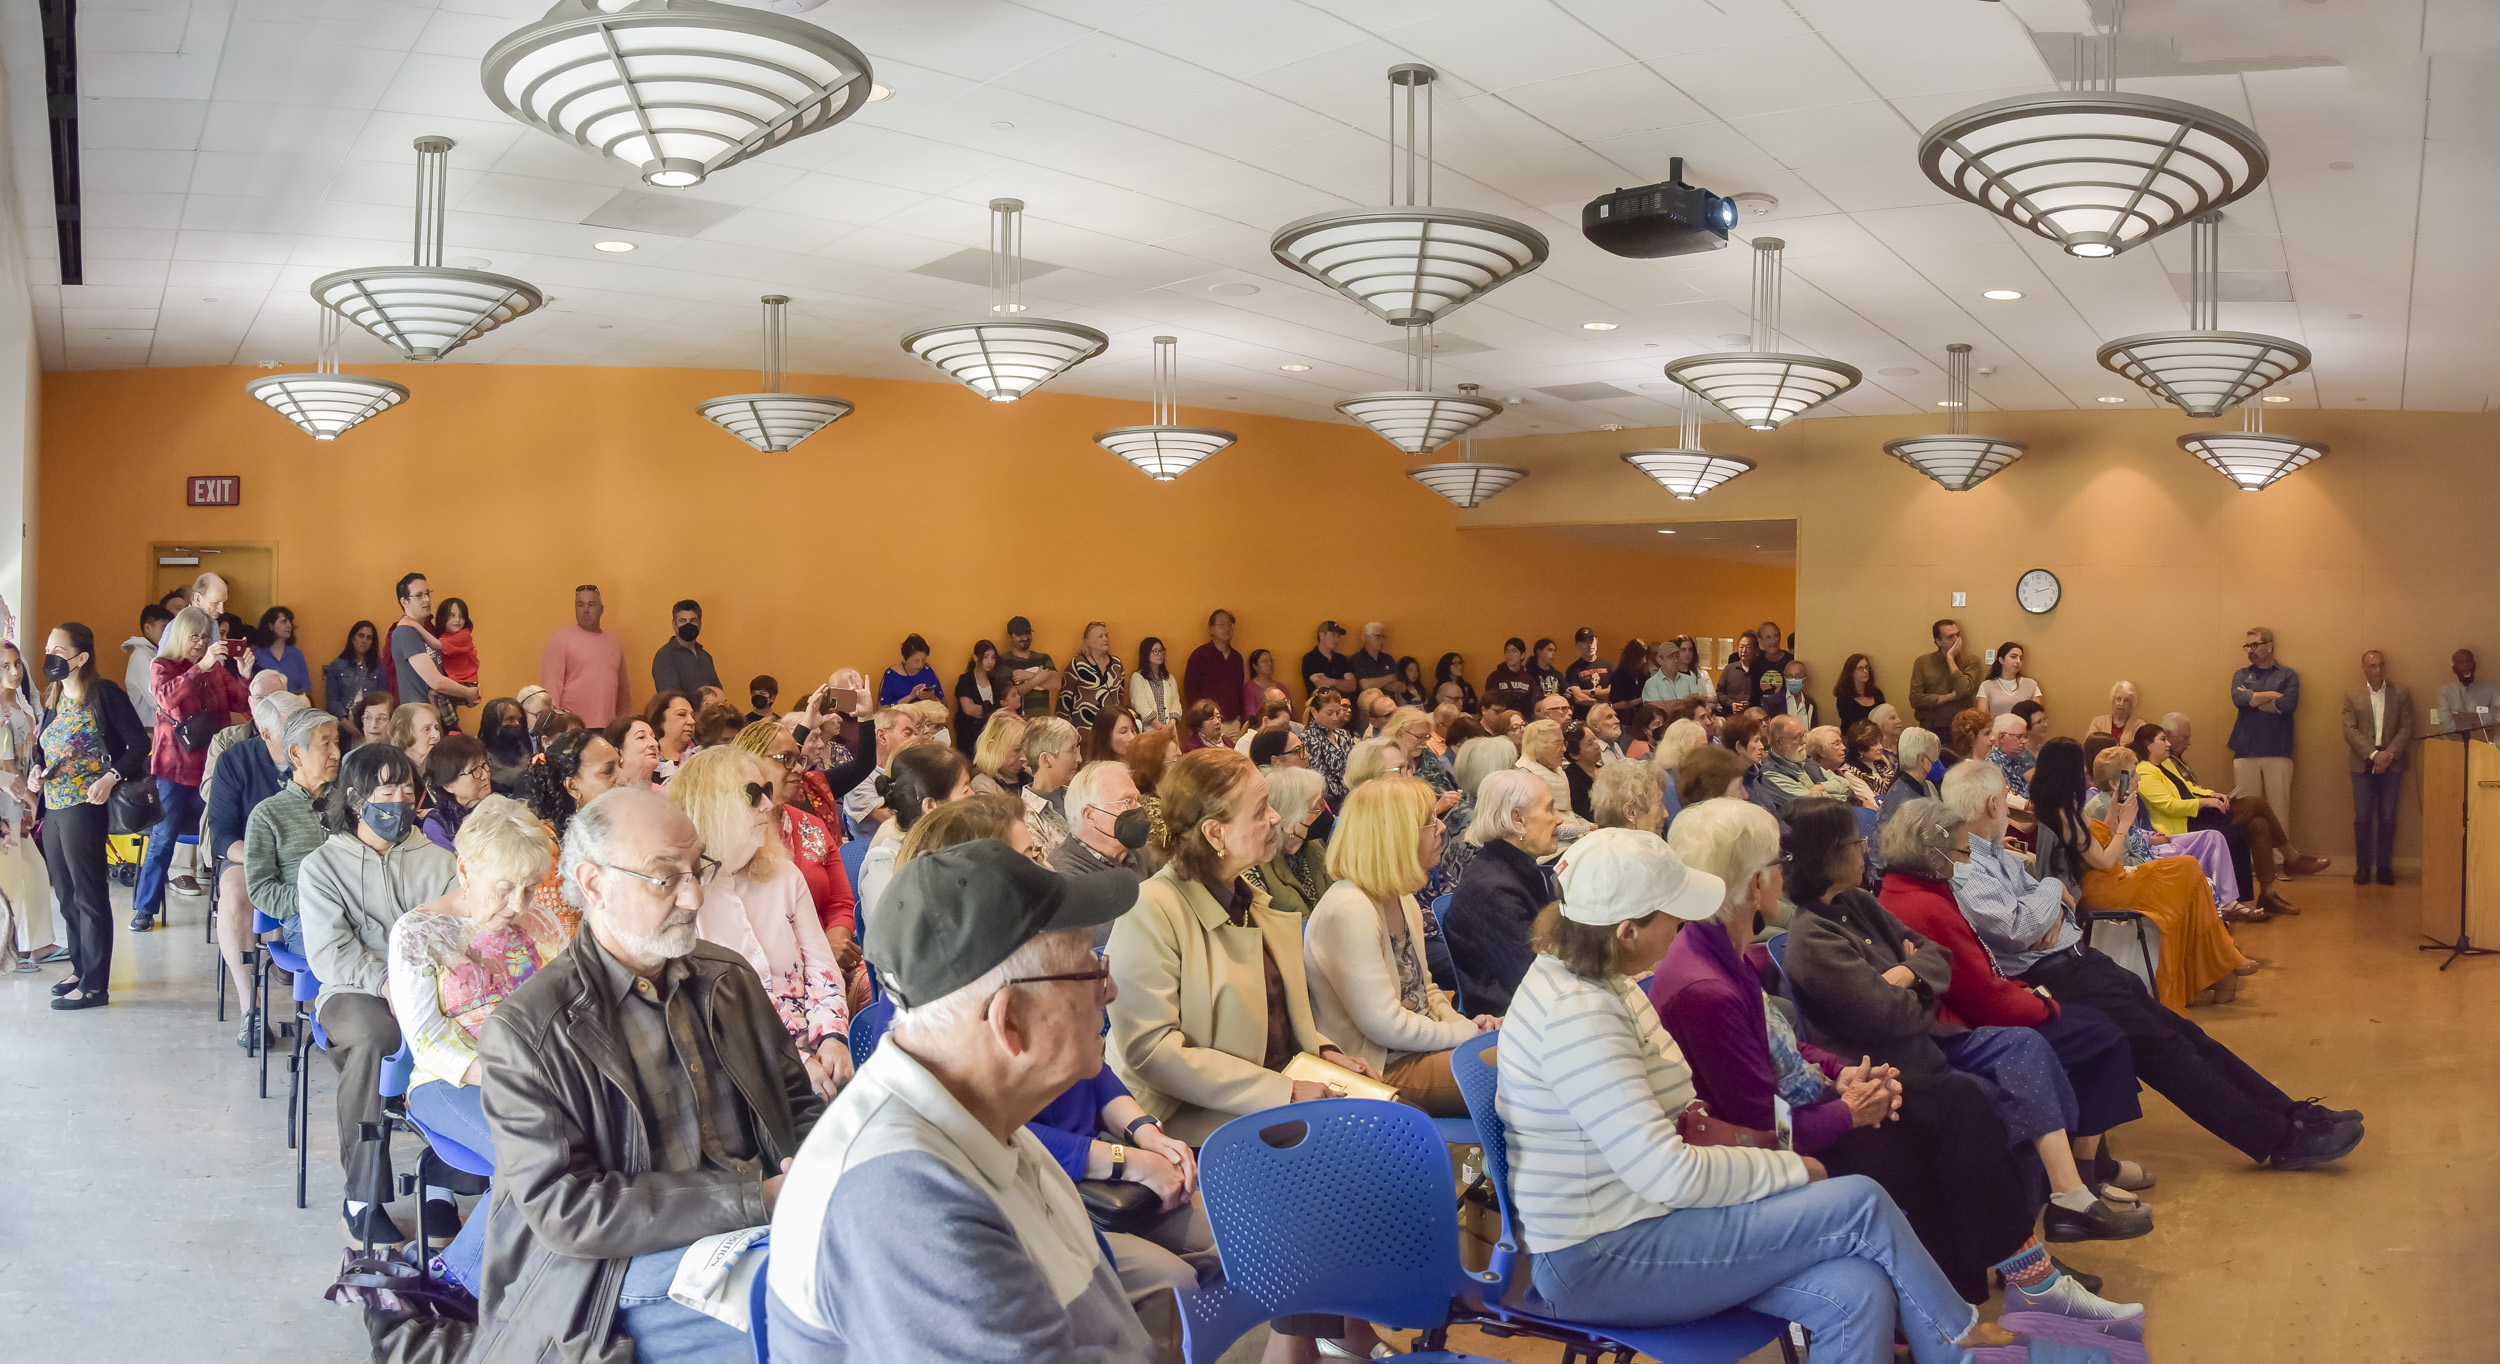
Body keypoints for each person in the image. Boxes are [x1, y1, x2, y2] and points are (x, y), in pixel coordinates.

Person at [1496, 825, 2019, 1362]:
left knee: (1856, 1288)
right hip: (1601, 1257)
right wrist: (1788, 1169)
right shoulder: (1580, 1017)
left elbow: (1693, 1117)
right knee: (1861, 1201)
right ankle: (1961, 1346)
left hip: (1645, 1222)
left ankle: (1956, 1343)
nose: (1682, 923)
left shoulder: (1605, 976)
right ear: (1627, 931)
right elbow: (1669, 1173)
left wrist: (1822, 1096)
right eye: (1672, 913)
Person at [1664, 800, 2146, 1315]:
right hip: (1788, 1138)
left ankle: (1998, 1293)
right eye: (1777, 862)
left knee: (1966, 1104)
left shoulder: (1723, 950)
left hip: (1849, 1077)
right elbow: (1766, 1123)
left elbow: (1925, 967)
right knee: (1957, 1115)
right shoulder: (1712, 984)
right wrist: (1847, 1109)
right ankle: (1998, 1294)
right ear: (1757, 882)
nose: (1785, 871)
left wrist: (1841, 1072)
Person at [462, 788, 825, 1364]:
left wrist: (822, 1175)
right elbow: (568, 1209)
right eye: (664, 878)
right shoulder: (529, 1032)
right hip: (614, 1270)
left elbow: (797, 1106)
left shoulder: (727, 979)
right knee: (821, 1316)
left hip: (762, 1222)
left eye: (697, 869)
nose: (694, 895)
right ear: (595, 884)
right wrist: (755, 1199)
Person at [768, 838, 1155, 1360]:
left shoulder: (982, 1109)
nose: (1109, 992)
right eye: (1091, 971)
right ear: (1009, 1022)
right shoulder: (899, 1202)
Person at [1103, 747, 1390, 1361]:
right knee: (1319, 1199)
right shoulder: (1152, 909)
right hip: (1189, 1121)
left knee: (1382, 1146)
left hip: (1266, 1103)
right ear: (1214, 833)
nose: (1276, 820)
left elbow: (1285, 1013)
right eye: (1260, 810)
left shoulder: (1246, 892)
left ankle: (1346, 1334)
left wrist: (1326, 1052)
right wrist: (1284, 1091)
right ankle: (1315, 1344)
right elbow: (1151, 1051)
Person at [1941, 760, 2365, 1171]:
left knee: (2189, 1036)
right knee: (2169, 1052)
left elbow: (2062, 909)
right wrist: (2052, 890)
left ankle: (2290, 1112)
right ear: (1993, 805)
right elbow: (2020, 927)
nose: (2012, 806)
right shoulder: (1967, 867)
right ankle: (2280, 1139)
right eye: (2006, 798)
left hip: (2079, 962)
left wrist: (2050, 903)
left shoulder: (1995, 854)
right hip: (2054, 977)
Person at [1781, 798, 2152, 1240]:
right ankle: (2041, 1225)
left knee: (2026, 1045)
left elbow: (1938, 958)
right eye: (1855, 842)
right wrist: (1920, 983)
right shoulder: (1813, 937)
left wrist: (1907, 975)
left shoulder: (1858, 900)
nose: (1865, 850)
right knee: (2006, 1087)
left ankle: (2070, 1194)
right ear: (1828, 853)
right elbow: (1890, 1016)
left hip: (1931, 1035)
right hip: (1897, 1060)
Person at [1875, 797, 2156, 1200]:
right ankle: (2088, 1175)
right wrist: (2044, 1003)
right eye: (1962, 852)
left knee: (2095, 1026)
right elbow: (1982, 995)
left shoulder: (1912, 890)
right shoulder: (1926, 905)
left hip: (1973, 1008)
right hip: (1961, 1028)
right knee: (2103, 1035)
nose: (1966, 861)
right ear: (1934, 852)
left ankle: (2096, 1167)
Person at [385, 795, 575, 1240]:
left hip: (542, 1077)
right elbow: (427, 1040)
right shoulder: (419, 932)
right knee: (533, 1162)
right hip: (451, 1081)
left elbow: (570, 1007)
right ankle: (463, 1273)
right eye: (505, 887)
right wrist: (509, 1076)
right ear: (465, 870)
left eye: (530, 887)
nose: (519, 904)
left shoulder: (544, 923)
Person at [299, 742, 458, 1244]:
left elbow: (457, 933)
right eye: (386, 793)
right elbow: (330, 951)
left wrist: (422, 985)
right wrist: (384, 981)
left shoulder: (440, 862)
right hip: (353, 990)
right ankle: (363, 1194)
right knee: (376, 1038)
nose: (399, 802)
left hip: (432, 986)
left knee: (464, 1030)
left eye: (407, 790)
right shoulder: (322, 867)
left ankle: (443, 1183)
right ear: (355, 800)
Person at [666, 747, 854, 1096]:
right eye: (753, 794)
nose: (768, 804)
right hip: (739, 1074)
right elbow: (708, 1015)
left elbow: (821, 967)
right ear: (711, 804)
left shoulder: (785, 875)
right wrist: (793, 1062)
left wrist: (832, 1037)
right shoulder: (684, 897)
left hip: (817, 1055)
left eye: (767, 790)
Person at [1304, 776, 1494, 1116]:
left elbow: (1426, 992)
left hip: (1417, 1049)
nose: (1442, 827)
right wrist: (1463, 1034)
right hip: (1380, 1067)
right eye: (1429, 821)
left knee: (1525, 1048)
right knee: (1520, 1067)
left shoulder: (1401, 897)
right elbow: (1386, 1026)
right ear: (1395, 836)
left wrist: (1466, 1029)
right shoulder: (1349, 908)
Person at [2033, 739, 2254, 1009]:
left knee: (2188, 873)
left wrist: (2114, 811)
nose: (2084, 773)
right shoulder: (2064, 816)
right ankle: (2220, 965)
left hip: (2105, 878)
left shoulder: (2063, 809)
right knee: (2187, 873)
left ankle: (2216, 967)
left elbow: (2096, 841)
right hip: (2100, 887)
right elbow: (2104, 860)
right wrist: (2124, 824)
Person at [33, 624, 150, 1009]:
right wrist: (36, 770)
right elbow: (44, 750)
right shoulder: (54, 696)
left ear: (81, 657)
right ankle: (80, 968)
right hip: (54, 805)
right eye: (48, 648)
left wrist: (111, 777)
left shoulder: (104, 694)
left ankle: (96, 986)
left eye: (58, 649)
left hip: (86, 805)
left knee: (89, 893)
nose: (50, 655)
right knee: (66, 894)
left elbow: (138, 745)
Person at [138, 606, 254, 931]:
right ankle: (145, 909)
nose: (201, 643)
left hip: (211, 769)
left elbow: (242, 702)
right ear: (179, 635)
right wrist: (199, 668)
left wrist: (245, 674)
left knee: (223, 834)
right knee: (163, 838)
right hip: (174, 769)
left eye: (205, 637)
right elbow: (165, 698)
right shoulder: (161, 665)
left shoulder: (215, 669)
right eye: (195, 637)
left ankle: (227, 908)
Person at [204, 687, 303, 1034]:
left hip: (308, 859)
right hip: (250, 857)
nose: (302, 736)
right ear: (267, 734)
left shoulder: (317, 757)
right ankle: (252, 1008)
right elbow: (222, 834)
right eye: (292, 729)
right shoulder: (235, 761)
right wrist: (260, 858)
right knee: (233, 890)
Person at [2133, 720, 2288, 917]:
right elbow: (2169, 805)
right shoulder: (2144, 771)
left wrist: (2211, 794)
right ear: (2148, 745)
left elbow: (2188, 788)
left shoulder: (2167, 764)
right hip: (2181, 824)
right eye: (2162, 739)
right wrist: (2206, 802)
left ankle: (2252, 898)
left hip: (2195, 815)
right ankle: (2287, 860)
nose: (2168, 744)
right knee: (2248, 815)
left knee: (2256, 825)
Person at [1440, 768, 1561, 1016]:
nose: (1558, 819)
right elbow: (1533, 976)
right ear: (1518, 820)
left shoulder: (1514, 868)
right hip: (1509, 1016)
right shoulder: (1493, 890)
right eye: (1549, 809)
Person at [2228, 626, 2324, 873]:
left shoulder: (2288, 675)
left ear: (2269, 646)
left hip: (2278, 749)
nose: (2250, 650)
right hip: (2245, 750)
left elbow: (2289, 704)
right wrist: (2271, 695)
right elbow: (2239, 700)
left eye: (2255, 645)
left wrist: (2254, 698)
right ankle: (2251, 865)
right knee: (2247, 812)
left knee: (2279, 809)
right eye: (2247, 646)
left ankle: (2279, 864)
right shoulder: (2241, 674)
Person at [856, 741, 972, 918]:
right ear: (931, 805)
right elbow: (892, 931)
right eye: (965, 790)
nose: (973, 795)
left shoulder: (963, 847)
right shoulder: (886, 868)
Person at [2342, 649, 2415, 887]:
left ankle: (2384, 867)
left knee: (2388, 817)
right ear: (2363, 667)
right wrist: (2374, 755)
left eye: (2381, 665)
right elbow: (2350, 730)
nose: (2378, 669)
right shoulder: (2352, 695)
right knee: (2362, 818)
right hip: (2362, 764)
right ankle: (2363, 867)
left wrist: (2388, 755)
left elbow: (2407, 727)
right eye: (2372, 666)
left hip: (2392, 764)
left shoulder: (2401, 692)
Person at [538, 585, 631, 729]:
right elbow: (551, 688)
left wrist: (621, 725)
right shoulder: (561, 640)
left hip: (608, 728)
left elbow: (623, 692)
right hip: (573, 728)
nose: (585, 610)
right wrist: (556, 727)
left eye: (591, 604)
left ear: (601, 609)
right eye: (580, 605)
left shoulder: (614, 643)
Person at [1247, 763, 1332, 919]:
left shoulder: (1313, 845)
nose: (1323, 812)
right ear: (1289, 819)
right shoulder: (1256, 869)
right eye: (1316, 807)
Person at [390, 573, 479, 718]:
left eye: (427, 593)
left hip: (436, 716)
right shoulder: (405, 632)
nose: (426, 599)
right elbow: (436, 682)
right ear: (404, 601)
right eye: (419, 595)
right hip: (419, 718)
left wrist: (472, 686)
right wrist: (468, 693)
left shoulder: (428, 630)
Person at [1056, 756, 1149, 878]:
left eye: (1137, 800)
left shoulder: (1143, 855)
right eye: (1128, 801)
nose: (1139, 808)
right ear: (1090, 816)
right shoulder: (1065, 874)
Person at [527, 727, 624, 838]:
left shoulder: (625, 821)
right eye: (608, 771)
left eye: (620, 765)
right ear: (572, 787)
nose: (625, 777)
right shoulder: (549, 842)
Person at [1758, 715, 1852, 817]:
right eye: (1796, 737)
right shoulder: (1770, 774)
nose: (1803, 741)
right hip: (1811, 823)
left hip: (1834, 816)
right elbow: (1810, 804)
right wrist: (1840, 796)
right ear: (1779, 742)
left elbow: (1846, 784)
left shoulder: (1806, 761)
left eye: (1803, 735)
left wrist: (1822, 787)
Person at [1020, 716, 1082, 860]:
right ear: (1046, 759)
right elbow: (1045, 867)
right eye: (1072, 750)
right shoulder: (1026, 816)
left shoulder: (1080, 796)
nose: (1079, 758)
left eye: (1078, 749)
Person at [1909, 618, 1984, 736]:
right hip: (1930, 726)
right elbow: (1915, 699)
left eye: (1958, 635)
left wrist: (1950, 659)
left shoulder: (1970, 661)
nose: (1956, 640)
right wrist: (1950, 696)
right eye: (1950, 637)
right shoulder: (1923, 662)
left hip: (1960, 727)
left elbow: (1964, 689)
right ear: (1939, 642)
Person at [420, 734, 494, 852]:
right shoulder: (437, 825)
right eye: (475, 770)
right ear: (448, 785)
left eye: (484, 765)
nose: (485, 775)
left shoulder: (498, 807)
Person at [1182, 609, 1245, 726]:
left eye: (1230, 624)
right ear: (1211, 629)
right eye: (1221, 625)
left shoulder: (1237, 657)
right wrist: (1199, 720)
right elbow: (1190, 689)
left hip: (1233, 721)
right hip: (1207, 722)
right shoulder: (1199, 654)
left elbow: (1239, 689)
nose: (1226, 628)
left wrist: (1240, 717)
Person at [650, 597, 720, 700]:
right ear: (674, 625)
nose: (688, 625)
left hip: (710, 711)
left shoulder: (706, 656)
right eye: (682, 621)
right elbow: (672, 699)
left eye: (693, 620)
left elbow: (718, 693)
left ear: (700, 624)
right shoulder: (665, 656)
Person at [993, 614, 1060, 719]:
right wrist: (1038, 678)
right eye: (1019, 634)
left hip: (1042, 721)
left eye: (1027, 633)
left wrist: (1028, 675)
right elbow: (1009, 695)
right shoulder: (1003, 661)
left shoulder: (1044, 658)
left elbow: (1056, 684)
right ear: (1009, 637)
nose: (1025, 637)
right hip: (1015, 722)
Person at [1062, 621, 1124, 728]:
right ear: (1089, 642)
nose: (1105, 639)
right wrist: (1063, 725)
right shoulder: (1077, 663)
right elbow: (1065, 697)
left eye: (1106, 635)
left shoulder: (1116, 663)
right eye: (1100, 636)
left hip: (1112, 725)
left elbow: (1121, 695)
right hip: (1084, 726)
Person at [432, 597, 479, 731]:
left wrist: (414, 626)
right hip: (458, 681)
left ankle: (453, 728)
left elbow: (436, 644)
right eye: (452, 615)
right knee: (446, 702)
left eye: (461, 616)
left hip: (466, 683)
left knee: (437, 694)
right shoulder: (445, 636)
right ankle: (447, 728)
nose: (457, 620)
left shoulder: (463, 635)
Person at [2435, 648, 2500, 744]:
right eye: (2460, 662)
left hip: (2484, 746)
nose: (2465, 665)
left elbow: (2497, 718)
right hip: (2455, 746)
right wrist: (2480, 721)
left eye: (2468, 661)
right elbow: (2447, 726)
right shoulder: (2445, 692)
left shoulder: (2492, 688)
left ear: (2474, 664)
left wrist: (2461, 723)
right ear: (2454, 668)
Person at [121, 605, 171, 727]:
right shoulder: (140, 656)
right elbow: (155, 698)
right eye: (163, 627)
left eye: (170, 628)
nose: (168, 633)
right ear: (148, 627)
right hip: (148, 728)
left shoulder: (158, 653)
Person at [475, 696, 534, 797]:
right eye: (510, 719)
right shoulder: (480, 756)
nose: (517, 724)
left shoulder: (524, 746)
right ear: (494, 723)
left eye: (519, 720)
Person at [253, 605, 312, 695]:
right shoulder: (258, 654)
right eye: (283, 621)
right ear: (271, 626)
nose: (289, 625)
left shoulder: (297, 655)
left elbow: (306, 687)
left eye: (290, 622)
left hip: (293, 701)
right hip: (266, 702)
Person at [968, 710, 1028, 796]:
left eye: (1026, 749)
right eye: (1017, 750)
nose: (1024, 758)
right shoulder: (982, 785)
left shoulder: (1029, 775)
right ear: (991, 747)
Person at [1128, 636, 1180, 731]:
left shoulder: (1170, 678)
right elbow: (1141, 706)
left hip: (1170, 731)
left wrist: (1171, 724)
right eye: (1155, 651)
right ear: (1146, 653)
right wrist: (1160, 727)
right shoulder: (1137, 678)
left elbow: (1176, 704)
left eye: (1161, 650)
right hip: (1149, 732)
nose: (1159, 654)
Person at [878, 633, 944, 708]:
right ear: (904, 658)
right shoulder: (891, 675)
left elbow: (943, 704)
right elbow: (882, 709)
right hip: (900, 714)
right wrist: (910, 697)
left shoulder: (928, 671)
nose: (920, 664)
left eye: (923, 660)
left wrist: (931, 697)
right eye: (916, 661)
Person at [645, 690, 696, 783]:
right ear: (660, 720)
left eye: (692, 716)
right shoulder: (645, 761)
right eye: (681, 714)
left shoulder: (701, 759)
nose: (692, 721)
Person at [1981, 642, 2042, 717]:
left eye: (2021, 658)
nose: (2018, 661)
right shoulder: (1987, 685)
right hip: (1997, 724)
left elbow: (2037, 717)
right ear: (2001, 660)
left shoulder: (2031, 684)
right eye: (2013, 657)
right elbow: (1982, 719)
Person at [603, 713, 663, 790]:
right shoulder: (606, 793)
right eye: (641, 737)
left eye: (653, 737)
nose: (654, 743)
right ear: (618, 753)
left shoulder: (665, 794)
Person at [1985, 713, 2036, 803]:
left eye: (2025, 736)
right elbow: (2004, 799)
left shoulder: (2021, 757)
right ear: (2002, 737)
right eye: (2018, 737)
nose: (2024, 741)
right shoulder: (1992, 764)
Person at [1303, 620, 1358, 702]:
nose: (1337, 639)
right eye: (1333, 635)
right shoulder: (1310, 658)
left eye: (1338, 636)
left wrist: (1332, 682)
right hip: (1320, 706)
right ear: (1321, 635)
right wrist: (1343, 683)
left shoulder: (1341, 658)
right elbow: (1322, 687)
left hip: (1343, 705)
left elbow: (1352, 686)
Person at [1483, 637, 1539, 715]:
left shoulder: (1528, 679)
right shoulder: (1495, 677)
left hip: (1524, 718)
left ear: (1522, 655)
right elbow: (1489, 701)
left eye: (1514, 651)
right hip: (1501, 718)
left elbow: (1534, 701)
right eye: (1507, 651)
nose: (1509, 654)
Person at [1834, 653, 1885, 733]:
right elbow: (1849, 725)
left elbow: (1883, 717)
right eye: (1860, 668)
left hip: (1876, 735)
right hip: (1852, 737)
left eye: (1866, 667)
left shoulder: (1877, 694)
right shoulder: (1844, 698)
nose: (1865, 671)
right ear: (1851, 672)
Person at [388, 702, 444, 775]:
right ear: (404, 733)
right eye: (427, 729)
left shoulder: (446, 770)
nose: (436, 735)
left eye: (436, 728)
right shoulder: (392, 774)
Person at [1350, 621, 1401, 701]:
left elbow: (1400, 686)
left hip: (1390, 703)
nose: (1382, 640)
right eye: (1378, 636)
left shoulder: (1388, 658)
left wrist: (1374, 683)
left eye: (1383, 637)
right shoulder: (1356, 659)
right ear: (1366, 637)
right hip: (1367, 705)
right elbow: (1364, 685)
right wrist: (1389, 678)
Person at [1717, 633, 1761, 715]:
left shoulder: (1760, 671)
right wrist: (1731, 704)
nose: (1743, 651)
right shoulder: (1729, 669)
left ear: (1756, 650)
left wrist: (1751, 704)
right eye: (1741, 647)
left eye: (1748, 647)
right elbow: (1720, 692)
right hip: (1730, 715)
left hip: (1753, 715)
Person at [1773, 658, 1816, 725]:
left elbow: (1813, 728)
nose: (1793, 680)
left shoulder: (1810, 704)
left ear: (1805, 678)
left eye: (1798, 677)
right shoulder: (1774, 702)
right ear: (1785, 677)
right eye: (1790, 676)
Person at [1242, 647, 1280, 723]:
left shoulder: (1280, 687)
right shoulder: (1250, 688)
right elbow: (1250, 715)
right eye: (1264, 661)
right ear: (1255, 666)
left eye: (1270, 661)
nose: (1269, 664)